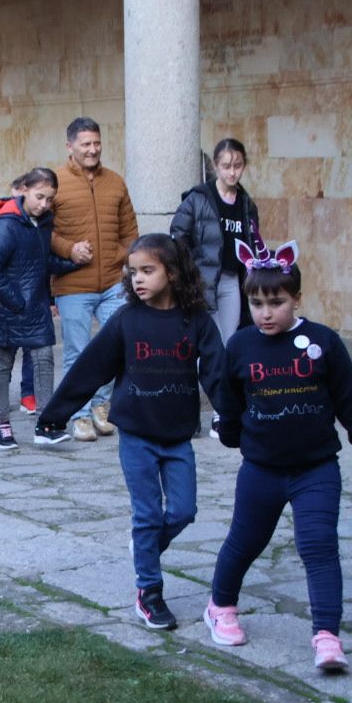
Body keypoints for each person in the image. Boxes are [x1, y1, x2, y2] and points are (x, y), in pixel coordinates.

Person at [204, 233, 352, 671]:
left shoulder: (324, 342)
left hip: (316, 468)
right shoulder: (241, 345)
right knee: (245, 542)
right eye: (257, 303)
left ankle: (326, 636)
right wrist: (231, 434)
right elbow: (229, 399)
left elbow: (350, 401)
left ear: (296, 299)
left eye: (276, 302)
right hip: (261, 470)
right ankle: (220, 606)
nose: (266, 313)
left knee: (319, 546)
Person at [36, 234, 226, 631]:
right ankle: (149, 592)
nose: (137, 279)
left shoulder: (196, 322)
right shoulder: (126, 320)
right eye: (132, 272)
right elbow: (90, 368)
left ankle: (145, 552)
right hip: (136, 436)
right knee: (147, 513)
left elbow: (217, 376)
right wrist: (55, 414)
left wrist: (237, 421)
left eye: (147, 271)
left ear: (172, 273)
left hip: (177, 438)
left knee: (183, 511)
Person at [50, 117, 139, 442]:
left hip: (113, 281)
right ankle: (79, 414)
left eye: (96, 143)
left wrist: (122, 256)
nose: (92, 150)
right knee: (77, 352)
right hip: (73, 284)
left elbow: (130, 231)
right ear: (70, 146)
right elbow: (46, 233)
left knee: (116, 347)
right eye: (85, 144)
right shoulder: (55, 182)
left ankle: (102, 406)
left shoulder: (115, 182)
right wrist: (69, 249)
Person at [0, 167, 77, 450]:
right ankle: (1, 425)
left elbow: (42, 262)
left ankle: (46, 424)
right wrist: (16, 300)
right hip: (6, 309)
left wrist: (73, 263)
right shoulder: (7, 224)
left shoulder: (43, 223)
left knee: (44, 359)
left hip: (35, 306)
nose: (44, 204)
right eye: (39, 197)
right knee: (2, 366)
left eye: (49, 199)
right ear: (24, 192)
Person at [171, 137, 260, 347]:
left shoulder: (247, 204)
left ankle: (222, 380)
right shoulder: (198, 198)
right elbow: (178, 236)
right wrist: (189, 272)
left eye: (237, 166)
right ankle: (207, 378)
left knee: (230, 339)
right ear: (215, 166)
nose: (232, 172)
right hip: (204, 279)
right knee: (210, 338)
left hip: (231, 279)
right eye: (226, 166)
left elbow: (253, 242)